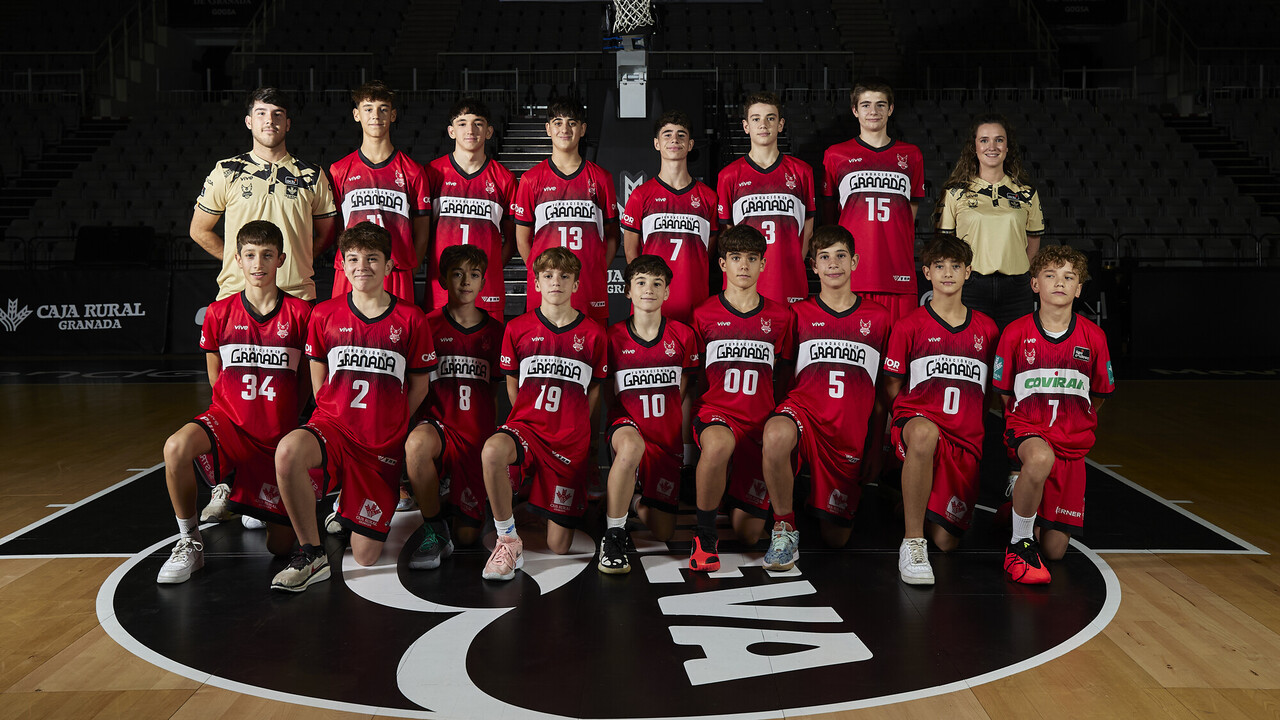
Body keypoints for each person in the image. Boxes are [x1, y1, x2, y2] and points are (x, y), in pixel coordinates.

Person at [270, 222, 435, 592]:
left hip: (379, 443)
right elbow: (318, 380)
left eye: (372, 259)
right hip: (335, 429)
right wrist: (334, 415)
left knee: (366, 556)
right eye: (354, 259)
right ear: (342, 265)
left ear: (389, 266)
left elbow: (420, 385)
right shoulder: (324, 314)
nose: (363, 266)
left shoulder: (411, 318)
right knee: (288, 451)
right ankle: (312, 555)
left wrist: (391, 423)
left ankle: (348, 505)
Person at [156, 221, 312, 584]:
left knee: (280, 547)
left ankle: (257, 500)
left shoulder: (302, 314)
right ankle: (190, 541)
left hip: (275, 436)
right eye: (251, 255)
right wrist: (233, 412)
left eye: (267, 255)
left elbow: (306, 380)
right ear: (238, 260)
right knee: (175, 447)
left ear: (281, 260)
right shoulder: (218, 312)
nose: (259, 264)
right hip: (229, 424)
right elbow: (216, 376)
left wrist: (284, 421)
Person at [760, 226, 891, 570]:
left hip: (846, 434)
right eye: (824, 257)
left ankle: (811, 498)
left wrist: (875, 448)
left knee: (836, 539)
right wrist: (778, 417)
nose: (833, 264)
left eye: (841, 256)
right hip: (804, 413)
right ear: (813, 266)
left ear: (855, 262)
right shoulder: (798, 314)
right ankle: (784, 526)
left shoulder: (879, 318)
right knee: (776, 434)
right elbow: (784, 378)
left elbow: (881, 392)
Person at [479, 247, 608, 581]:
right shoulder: (517, 327)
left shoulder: (594, 334)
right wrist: (524, 418)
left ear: (576, 285)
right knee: (492, 450)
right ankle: (508, 539)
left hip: (568, 439)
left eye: (564, 276)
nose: (556, 282)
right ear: (536, 283)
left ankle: (530, 500)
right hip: (528, 429)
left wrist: (579, 428)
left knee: (559, 546)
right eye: (548, 276)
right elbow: (512, 385)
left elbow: (594, 390)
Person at [883, 234, 999, 585]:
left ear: (968, 272)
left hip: (964, 436)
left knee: (947, 542)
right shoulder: (909, 325)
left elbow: (989, 393)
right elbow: (892, 384)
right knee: (923, 433)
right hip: (919, 422)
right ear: (927, 273)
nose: (947, 273)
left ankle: (914, 501)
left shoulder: (988, 329)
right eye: (939, 266)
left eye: (955, 266)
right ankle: (912, 542)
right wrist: (904, 419)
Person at [994, 244, 1113, 584]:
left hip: (1070, 443)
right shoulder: (1016, 332)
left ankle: (1018, 503)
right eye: (1050, 275)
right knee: (1039, 457)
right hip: (1028, 430)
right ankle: (1018, 544)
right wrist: (1025, 429)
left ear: (1079, 288)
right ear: (1035, 284)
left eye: (1068, 277)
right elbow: (1005, 393)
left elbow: (1098, 395)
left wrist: (1073, 421)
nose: (1059, 282)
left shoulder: (1094, 336)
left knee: (1055, 550)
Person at [689, 225, 795, 572]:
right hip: (716, 414)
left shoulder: (781, 316)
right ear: (723, 264)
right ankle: (704, 536)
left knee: (748, 534)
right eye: (736, 258)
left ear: (763, 264)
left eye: (752, 258)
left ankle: (728, 494)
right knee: (718, 445)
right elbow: (694, 377)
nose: (744, 265)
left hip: (758, 422)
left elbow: (784, 375)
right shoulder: (703, 314)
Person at [403, 245, 504, 569]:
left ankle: (448, 492)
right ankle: (434, 528)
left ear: (484, 282)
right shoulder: (426, 325)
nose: (465, 281)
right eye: (457, 274)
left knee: (468, 537)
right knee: (416, 446)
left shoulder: (497, 332)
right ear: (444, 280)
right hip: (439, 427)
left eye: (473, 275)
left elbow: (498, 393)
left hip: (476, 437)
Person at [191, 87, 337, 302]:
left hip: (296, 295)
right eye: (261, 113)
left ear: (288, 124)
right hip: (237, 294)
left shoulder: (311, 174)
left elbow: (328, 234)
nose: (270, 120)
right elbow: (199, 230)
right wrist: (239, 261)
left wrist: (297, 261)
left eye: (278, 114)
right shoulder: (227, 171)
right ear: (249, 121)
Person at [601, 255, 699, 572]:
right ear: (627, 290)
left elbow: (682, 389)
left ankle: (629, 500)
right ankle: (613, 534)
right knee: (631, 446)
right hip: (627, 428)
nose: (649, 289)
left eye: (657, 284)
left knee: (663, 532)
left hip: (665, 438)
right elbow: (607, 392)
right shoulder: (611, 337)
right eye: (641, 282)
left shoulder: (683, 336)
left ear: (667, 292)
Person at [822, 78, 926, 324]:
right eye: (866, 105)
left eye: (881, 105)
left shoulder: (911, 155)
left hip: (897, 272)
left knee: (898, 346)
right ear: (855, 110)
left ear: (890, 109)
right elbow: (830, 217)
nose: (873, 111)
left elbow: (911, 210)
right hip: (852, 275)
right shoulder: (836, 154)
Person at [512, 98, 618, 324]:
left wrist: (596, 270)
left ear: (583, 129)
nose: (565, 129)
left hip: (588, 286)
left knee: (592, 344)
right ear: (548, 128)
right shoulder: (531, 179)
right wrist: (541, 273)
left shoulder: (601, 178)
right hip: (547, 289)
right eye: (558, 122)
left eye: (572, 122)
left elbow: (612, 236)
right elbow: (522, 239)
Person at [935, 113, 1045, 330]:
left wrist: (1023, 274)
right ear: (974, 147)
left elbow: (1033, 239)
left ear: (1007, 147)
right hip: (971, 286)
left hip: (1016, 289)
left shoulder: (1026, 193)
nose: (992, 147)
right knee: (971, 347)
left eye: (999, 140)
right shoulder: (955, 193)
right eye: (984, 140)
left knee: (1014, 347)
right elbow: (944, 246)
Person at [329, 80, 431, 303]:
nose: (376, 116)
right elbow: (335, 227)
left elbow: (422, 233)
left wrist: (408, 270)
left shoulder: (413, 171)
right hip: (351, 271)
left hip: (395, 270)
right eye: (368, 109)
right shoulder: (339, 170)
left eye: (383, 109)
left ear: (393, 115)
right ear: (356, 115)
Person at [715, 91, 815, 306]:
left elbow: (808, 226)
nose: (763, 125)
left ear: (780, 125)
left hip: (788, 278)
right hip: (744, 281)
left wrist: (794, 262)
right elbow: (727, 234)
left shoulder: (802, 172)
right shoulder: (729, 176)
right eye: (756, 119)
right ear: (745, 126)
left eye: (770, 118)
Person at [621, 110, 718, 325]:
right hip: (651, 303)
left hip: (695, 300)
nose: (674, 139)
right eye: (667, 134)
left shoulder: (709, 197)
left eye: (681, 135)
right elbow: (631, 252)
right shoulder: (640, 195)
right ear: (657, 144)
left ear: (690, 145)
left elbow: (708, 250)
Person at [427, 97, 517, 318]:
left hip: (487, 289)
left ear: (489, 132)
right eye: (462, 123)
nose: (470, 130)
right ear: (451, 131)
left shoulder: (504, 179)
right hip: (441, 289)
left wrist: (489, 269)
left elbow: (512, 241)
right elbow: (421, 234)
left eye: (478, 123)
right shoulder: (432, 173)